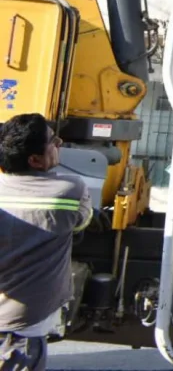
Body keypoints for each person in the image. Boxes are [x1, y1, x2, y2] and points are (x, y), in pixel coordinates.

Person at [0, 114, 92, 371]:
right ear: (35, 159)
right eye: (54, 141)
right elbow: (82, 223)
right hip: (21, 331)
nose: (60, 143)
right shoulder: (69, 189)